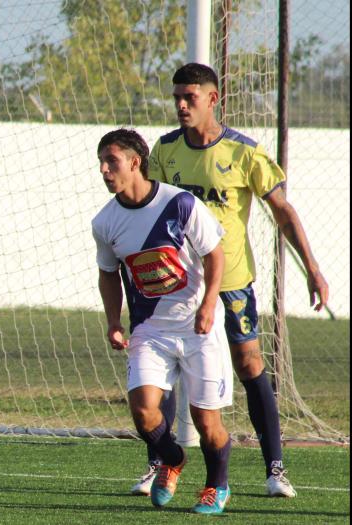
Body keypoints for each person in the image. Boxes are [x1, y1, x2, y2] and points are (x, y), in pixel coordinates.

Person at [132, 62, 330, 498]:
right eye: (177, 98)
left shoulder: (244, 152)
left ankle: (275, 468)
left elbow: (284, 212)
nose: (182, 105)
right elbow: (148, 212)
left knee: (250, 365)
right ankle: (160, 465)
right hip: (178, 288)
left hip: (231, 283)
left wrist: (313, 268)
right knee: (163, 367)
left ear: (213, 98)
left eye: (191, 98)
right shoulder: (165, 152)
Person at [93, 128, 233, 514]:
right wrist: (113, 321)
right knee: (143, 410)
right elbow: (108, 273)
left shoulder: (181, 204)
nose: (104, 170)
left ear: (135, 163)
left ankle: (216, 486)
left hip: (197, 326)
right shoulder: (105, 222)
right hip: (149, 329)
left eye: (112, 162)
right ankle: (171, 459)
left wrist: (208, 305)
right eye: (101, 163)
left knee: (206, 423)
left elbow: (215, 255)